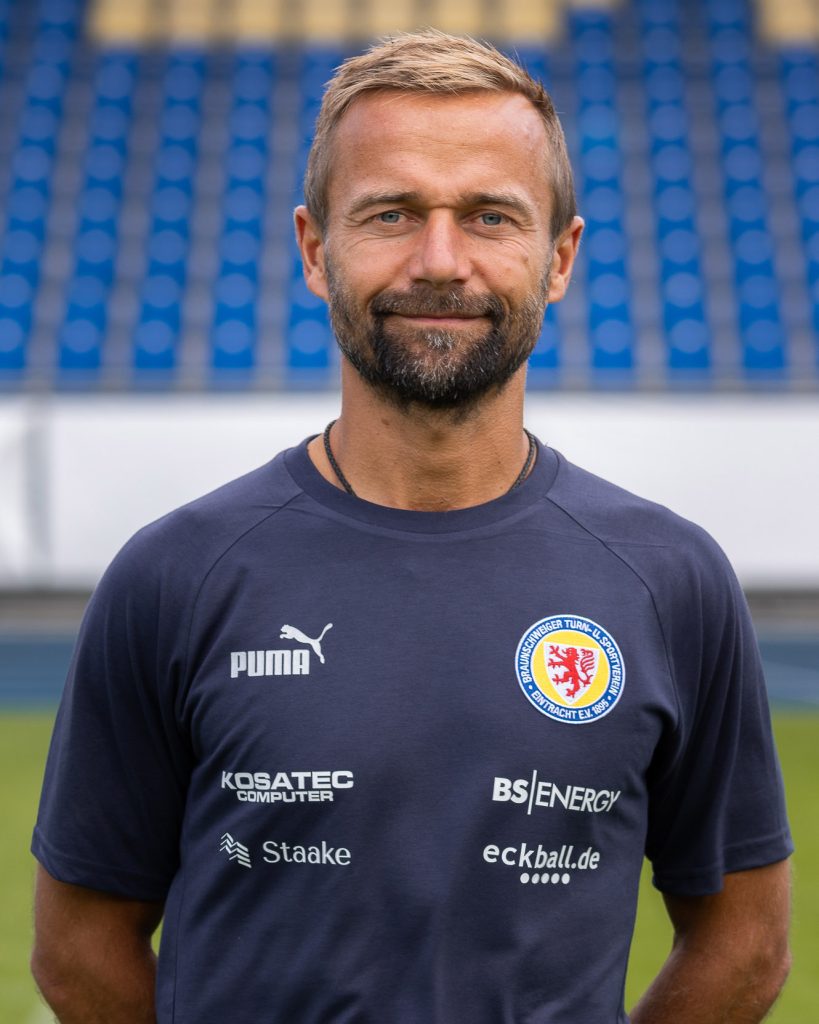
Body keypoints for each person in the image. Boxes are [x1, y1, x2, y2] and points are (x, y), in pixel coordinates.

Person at [31, 29, 792, 1024]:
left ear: (559, 257)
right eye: (391, 213)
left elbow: (746, 942)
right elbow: (77, 946)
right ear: (315, 248)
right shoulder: (175, 574)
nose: (441, 261)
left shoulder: (672, 580)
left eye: (490, 216)